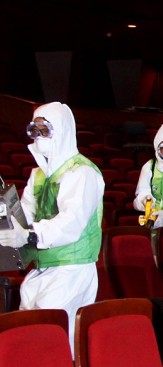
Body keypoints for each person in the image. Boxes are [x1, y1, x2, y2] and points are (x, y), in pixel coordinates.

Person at [0, 102, 104, 352]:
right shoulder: (38, 174)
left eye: (44, 131)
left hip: (72, 270)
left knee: (52, 342)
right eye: (34, 131)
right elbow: (25, 212)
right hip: (42, 268)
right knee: (28, 336)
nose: (38, 137)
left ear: (63, 130)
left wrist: (30, 235)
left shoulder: (82, 172)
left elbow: (72, 222)